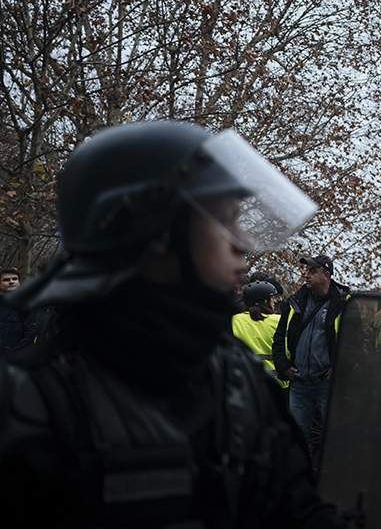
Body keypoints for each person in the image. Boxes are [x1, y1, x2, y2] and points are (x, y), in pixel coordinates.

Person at [0, 120, 338, 527]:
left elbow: (296, 511)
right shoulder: (27, 403)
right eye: (224, 222)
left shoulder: (235, 379)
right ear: (156, 234)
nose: (243, 249)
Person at [273, 254, 350, 452]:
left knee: (336, 439)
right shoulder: (295, 301)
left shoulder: (345, 304)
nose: (306, 275)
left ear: (327, 275)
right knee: (297, 441)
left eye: (312, 271)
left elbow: (356, 341)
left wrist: (338, 370)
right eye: (305, 271)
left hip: (328, 385)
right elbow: (279, 337)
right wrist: (283, 366)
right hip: (299, 385)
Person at [233, 280, 287, 387]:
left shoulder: (234, 320)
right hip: (278, 385)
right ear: (265, 301)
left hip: (246, 384)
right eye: (272, 299)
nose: (274, 302)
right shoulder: (279, 321)